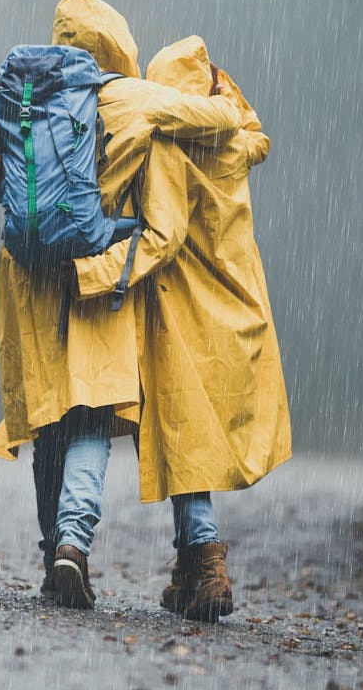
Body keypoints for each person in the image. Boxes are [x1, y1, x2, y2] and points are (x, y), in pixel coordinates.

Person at [0, 0, 244, 609]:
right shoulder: (134, 99)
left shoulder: (27, 104)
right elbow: (221, 125)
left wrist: (30, 203)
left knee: (49, 421)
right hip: (98, 284)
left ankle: (52, 550)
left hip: (31, 286)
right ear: (117, 44)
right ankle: (76, 545)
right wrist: (219, 97)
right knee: (91, 415)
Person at [72, 35, 291, 621]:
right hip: (238, 304)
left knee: (186, 437)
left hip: (183, 308)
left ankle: (203, 561)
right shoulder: (233, 146)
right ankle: (192, 571)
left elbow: (162, 239)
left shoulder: (171, 148)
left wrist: (94, 274)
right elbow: (249, 129)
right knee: (195, 439)